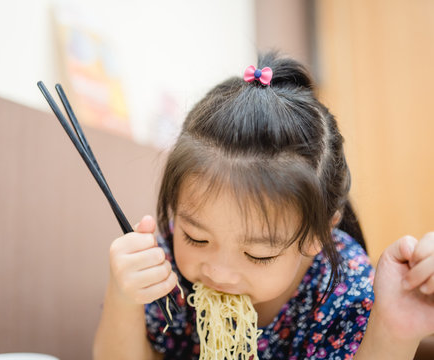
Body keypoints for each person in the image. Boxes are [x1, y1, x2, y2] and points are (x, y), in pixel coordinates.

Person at [93, 52, 434, 360]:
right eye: (196, 238)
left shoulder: (345, 289)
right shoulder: (164, 265)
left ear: (318, 234)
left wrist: (392, 332)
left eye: (258, 254)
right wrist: (123, 298)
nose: (218, 272)